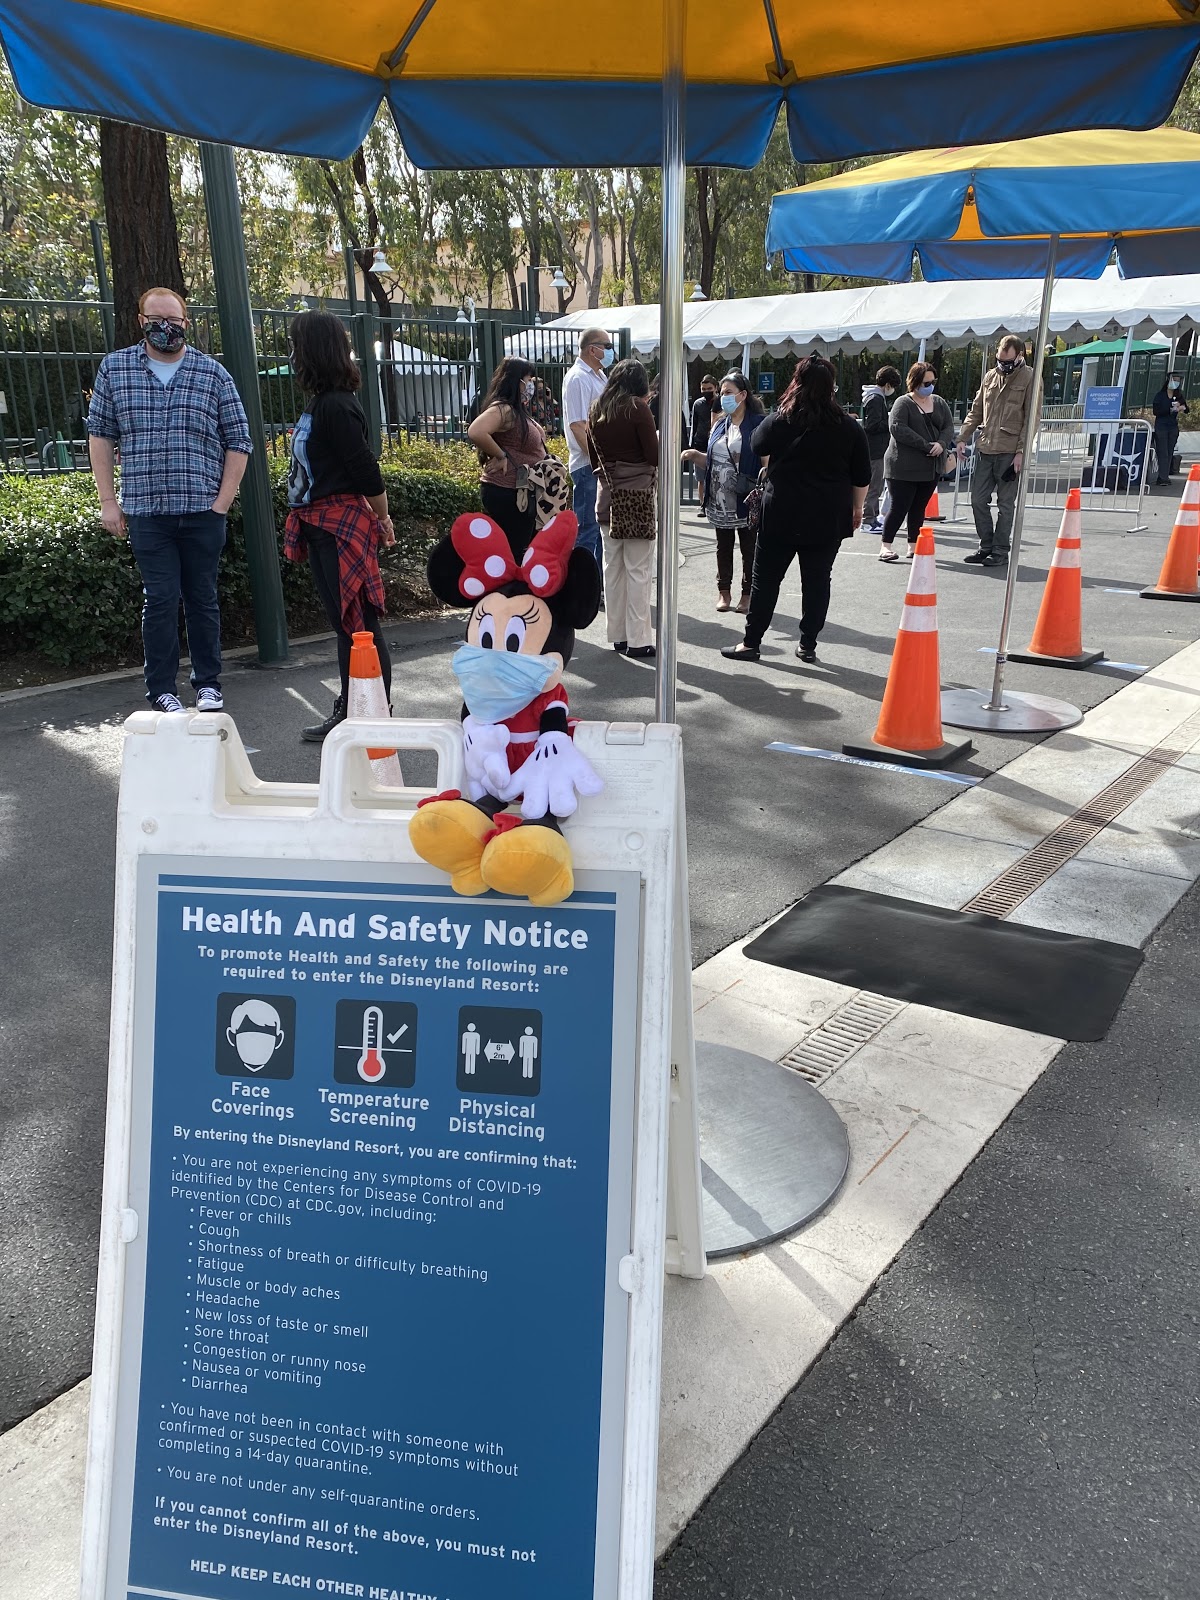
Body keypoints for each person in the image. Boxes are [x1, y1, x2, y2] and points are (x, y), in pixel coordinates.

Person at [87, 286, 251, 715]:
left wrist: (222, 503)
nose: (165, 327)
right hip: (147, 511)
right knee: (159, 599)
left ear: (186, 322)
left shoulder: (212, 373)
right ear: (141, 321)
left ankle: (208, 684)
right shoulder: (115, 369)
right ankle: (161, 690)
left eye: (173, 320)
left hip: (202, 510)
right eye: (157, 319)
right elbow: (100, 436)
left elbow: (239, 440)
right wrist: (108, 500)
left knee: (202, 598)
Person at [283, 311, 395, 743]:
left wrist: (382, 517)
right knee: (349, 625)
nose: (292, 355)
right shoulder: (325, 402)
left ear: (312, 350)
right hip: (324, 524)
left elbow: (365, 468)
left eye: (296, 346)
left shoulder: (335, 405)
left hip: (339, 525)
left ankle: (369, 713)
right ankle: (358, 710)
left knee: (358, 624)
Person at [720, 355, 870, 664]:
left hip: (782, 513)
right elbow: (862, 476)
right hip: (827, 516)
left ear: (796, 384)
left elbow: (757, 445)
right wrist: (857, 508)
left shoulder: (781, 419)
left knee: (765, 580)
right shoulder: (848, 426)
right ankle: (808, 644)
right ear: (831, 387)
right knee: (817, 582)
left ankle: (751, 642)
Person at [588, 357, 659, 660]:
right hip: (638, 496)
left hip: (608, 496)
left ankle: (617, 635)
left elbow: (594, 460)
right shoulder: (637, 408)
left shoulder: (596, 409)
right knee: (638, 569)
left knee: (612, 568)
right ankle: (638, 640)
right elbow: (653, 456)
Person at [682, 370, 764, 612]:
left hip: (746, 499)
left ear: (743, 395)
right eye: (722, 393)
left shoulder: (758, 424)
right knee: (723, 547)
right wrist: (695, 455)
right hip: (719, 500)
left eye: (728, 392)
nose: (723, 397)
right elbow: (713, 460)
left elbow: (766, 463)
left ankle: (747, 594)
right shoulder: (719, 424)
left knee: (749, 548)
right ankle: (724, 591)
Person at [955, 335, 1035, 565]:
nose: (1003, 365)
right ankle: (986, 545)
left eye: (1007, 361)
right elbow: (976, 410)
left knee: (1005, 504)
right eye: (1000, 360)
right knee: (977, 500)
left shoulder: (1029, 377)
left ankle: (1000, 551)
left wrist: (1021, 451)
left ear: (1020, 356)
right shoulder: (991, 376)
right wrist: (962, 437)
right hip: (986, 447)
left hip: (1010, 451)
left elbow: (1032, 418)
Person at [466, 357, 548, 553]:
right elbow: (476, 431)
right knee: (514, 552)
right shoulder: (504, 409)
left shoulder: (517, 410)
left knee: (522, 549)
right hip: (508, 490)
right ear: (516, 381)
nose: (531, 385)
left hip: (522, 491)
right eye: (528, 380)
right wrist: (501, 455)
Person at [878, 363, 956, 562]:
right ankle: (885, 546)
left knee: (918, 508)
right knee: (899, 507)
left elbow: (948, 427)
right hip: (902, 468)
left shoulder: (939, 402)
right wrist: (926, 446)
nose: (930, 386)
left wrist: (941, 443)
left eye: (932, 382)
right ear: (914, 382)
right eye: (925, 383)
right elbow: (898, 428)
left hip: (930, 468)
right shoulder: (902, 403)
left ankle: (913, 546)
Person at [561, 328, 612, 578]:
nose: (610, 351)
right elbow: (577, 425)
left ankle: (599, 585)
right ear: (593, 349)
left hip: (601, 465)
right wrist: (597, 460)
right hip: (588, 466)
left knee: (601, 529)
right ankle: (582, 587)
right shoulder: (578, 378)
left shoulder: (599, 376)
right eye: (607, 346)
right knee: (588, 530)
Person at [860, 365, 901, 531]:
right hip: (876, 448)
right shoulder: (876, 399)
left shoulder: (873, 397)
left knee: (875, 485)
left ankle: (872, 517)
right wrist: (890, 421)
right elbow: (872, 425)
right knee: (874, 486)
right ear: (888, 384)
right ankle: (868, 520)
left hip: (874, 447)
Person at [1152, 373, 1190, 486]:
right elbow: (1156, 411)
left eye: (1178, 381)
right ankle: (1162, 477)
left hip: (1172, 426)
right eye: (1174, 380)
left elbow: (1187, 409)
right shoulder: (1160, 396)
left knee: (1169, 451)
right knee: (1162, 451)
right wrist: (1170, 409)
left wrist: (1182, 407)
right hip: (1161, 426)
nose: (1176, 383)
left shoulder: (1178, 396)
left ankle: (1165, 476)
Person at [689, 374, 720, 453]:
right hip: (700, 445)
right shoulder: (698, 404)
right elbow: (694, 425)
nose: (706, 391)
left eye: (709, 388)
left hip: (717, 443)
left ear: (716, 388)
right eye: (703, 389)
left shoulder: (721, 403)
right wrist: (691, 445)